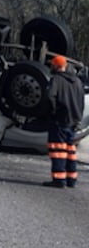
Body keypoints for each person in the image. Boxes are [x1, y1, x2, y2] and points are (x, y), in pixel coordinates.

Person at [42, 54, 85, 189]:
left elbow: (50, 97)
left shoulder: (56, 80)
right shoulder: (77, 81)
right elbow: (81, 101)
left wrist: (53, 112)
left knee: (58, 151)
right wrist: (77, 117)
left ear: (56, 66)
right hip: (73, 121)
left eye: (52, 65)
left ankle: (59, 179)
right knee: (70, 151)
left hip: (59, 120)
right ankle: (71, 179)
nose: (51, 67)